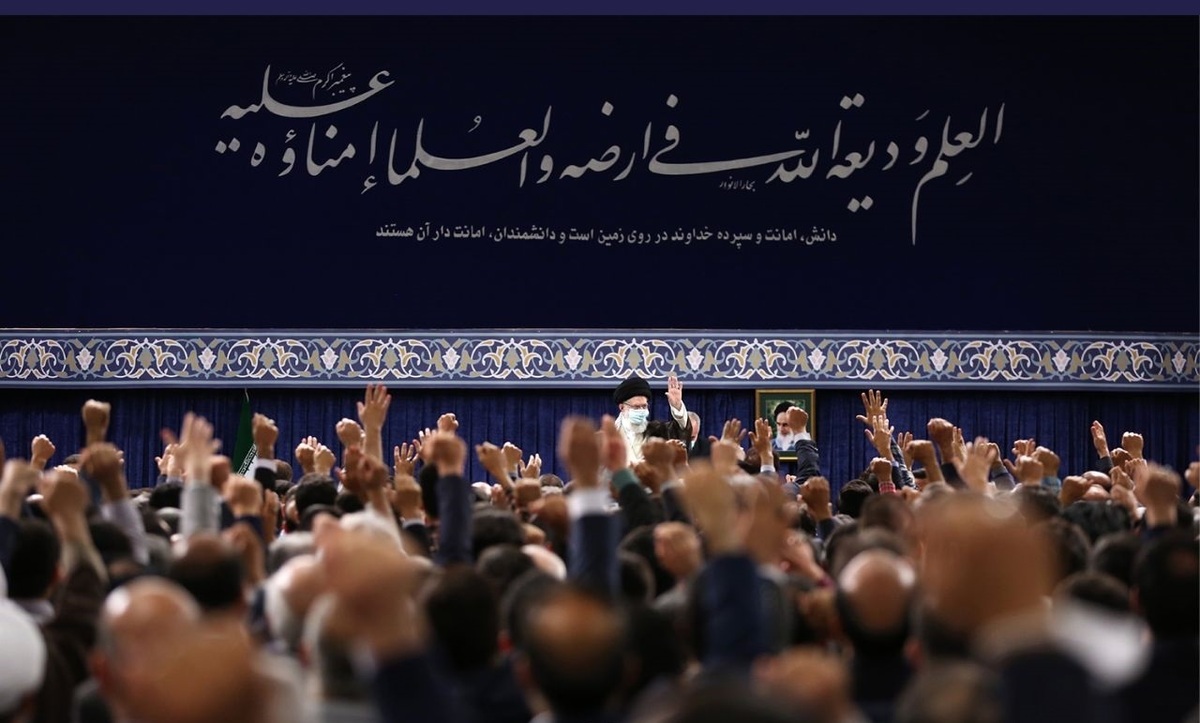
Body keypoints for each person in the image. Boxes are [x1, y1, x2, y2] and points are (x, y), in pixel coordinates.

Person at [612, 374, 691, 465]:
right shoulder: (609, 435)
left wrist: (677, 406)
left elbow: (680, 430)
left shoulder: (656, 431)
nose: (641, 410)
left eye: (644, 406)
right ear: (622, 407)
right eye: (636, 407)